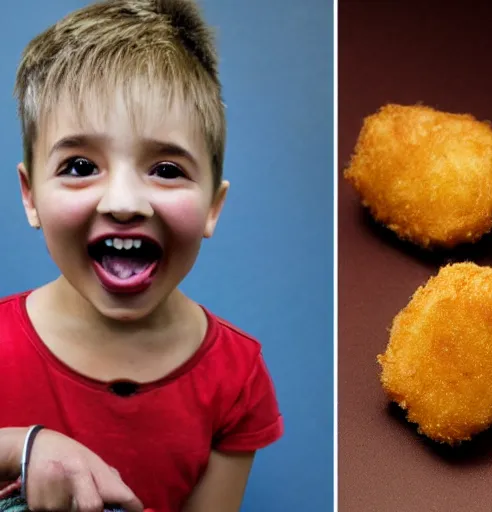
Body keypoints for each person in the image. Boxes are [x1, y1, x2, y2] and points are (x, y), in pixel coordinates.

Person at [0, 0, 284, 511]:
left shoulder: (237, 377)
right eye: (81, 165)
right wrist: (20, 448)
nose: (125, 203)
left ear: (213, 208)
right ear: (30, 196)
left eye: (168, 169)